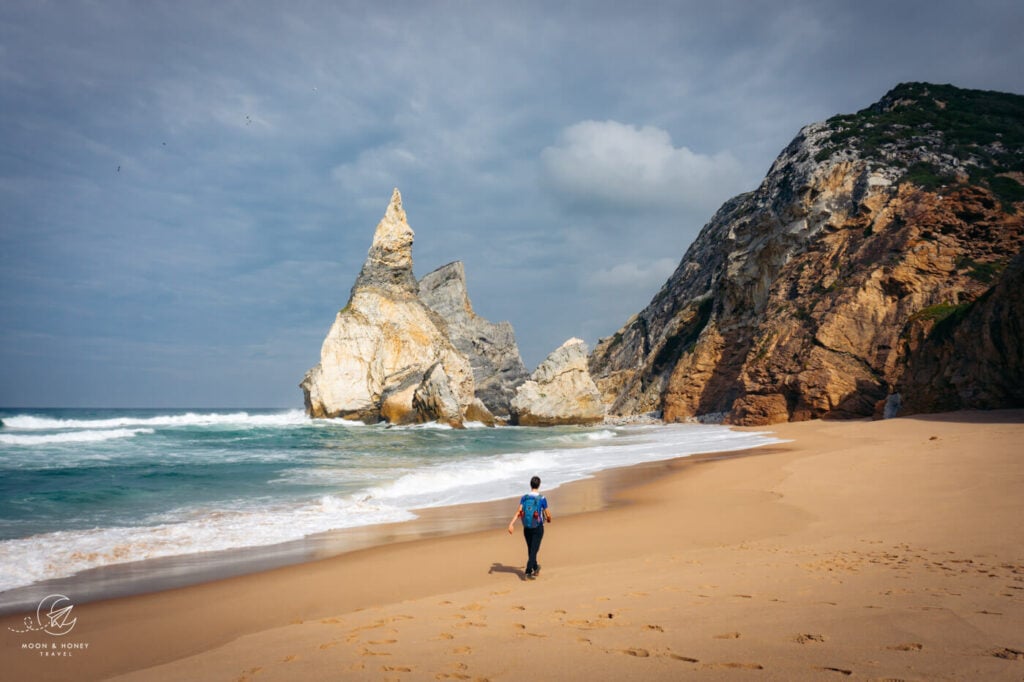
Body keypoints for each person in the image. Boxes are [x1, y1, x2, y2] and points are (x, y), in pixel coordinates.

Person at [507, 475, 552, 579]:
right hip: (538, 528)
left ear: (530, 485)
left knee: (531, 549)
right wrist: (549, 519)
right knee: (534, 550)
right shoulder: (542, 498)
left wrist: (511, 524)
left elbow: (519, 512)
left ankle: (535, 568)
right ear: (539, 485)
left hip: (526, 527)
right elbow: (548, 514)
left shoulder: (524, 497)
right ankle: (528, 571)